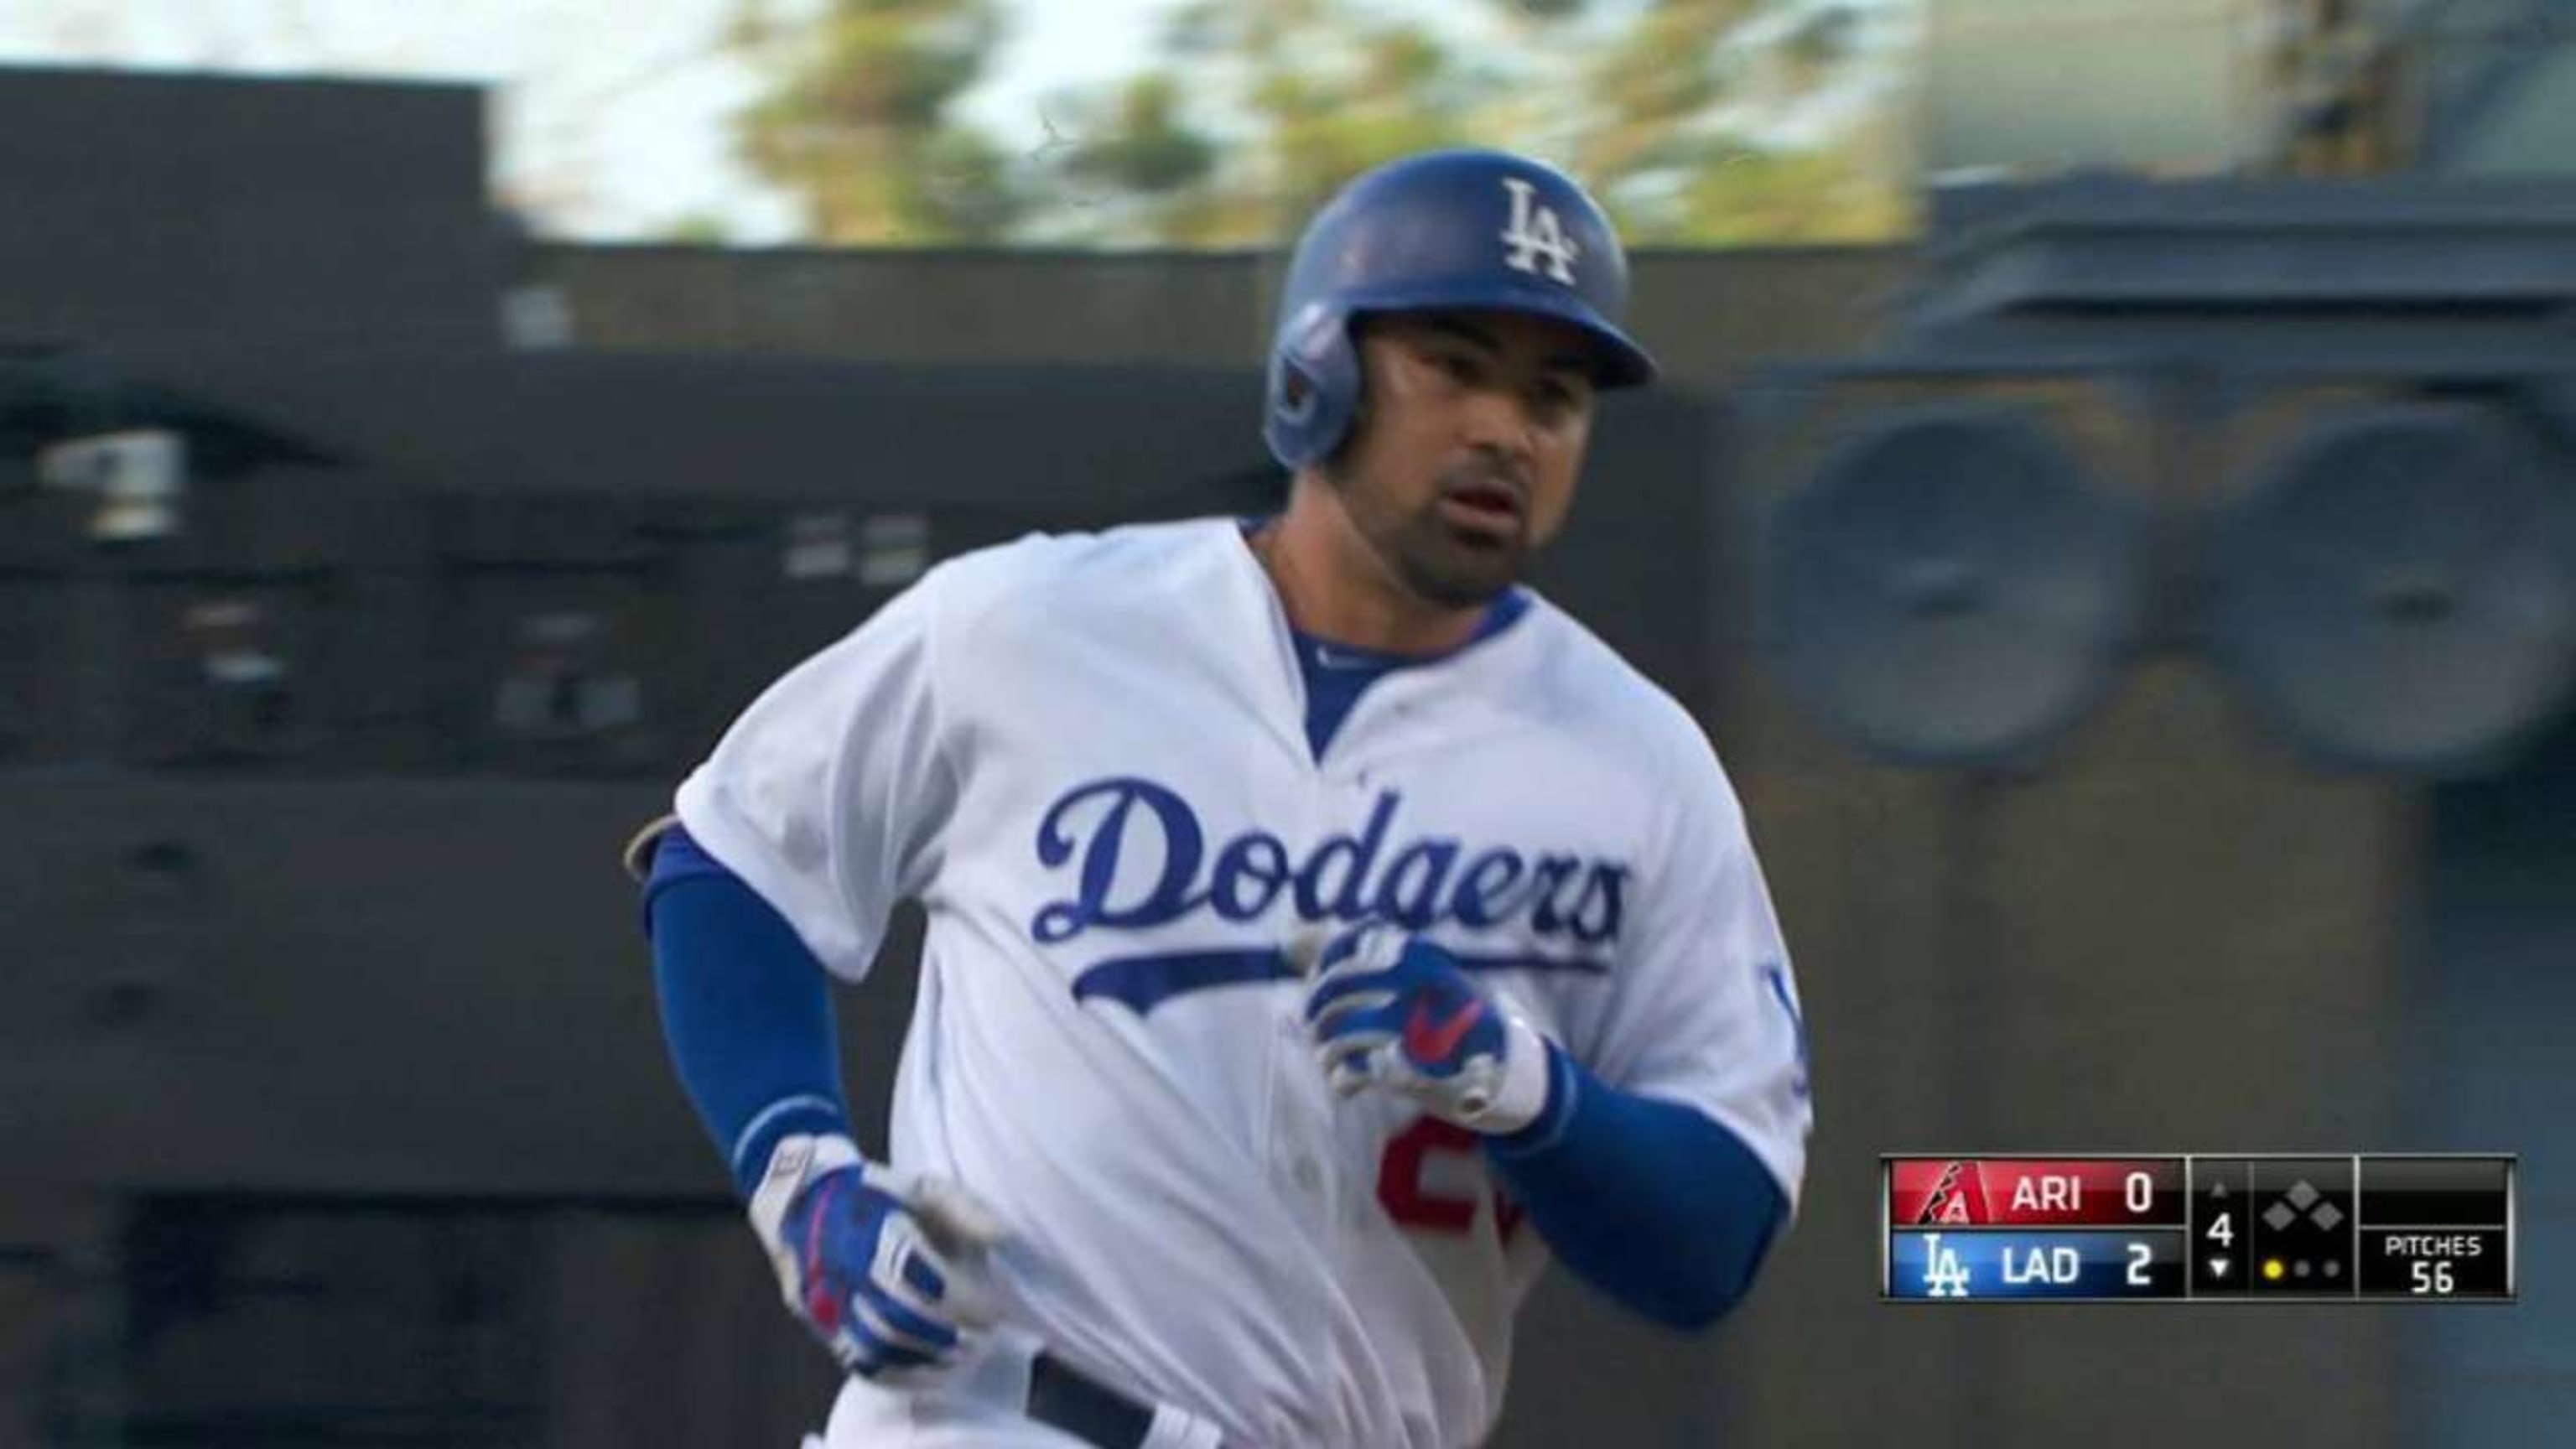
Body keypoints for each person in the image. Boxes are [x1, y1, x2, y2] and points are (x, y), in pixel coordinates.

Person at [626, 147, 1812, 1449]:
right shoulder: (1036, 625)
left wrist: (1527, 1085)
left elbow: (1717, 1237)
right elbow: (730, 858)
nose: (1505, 430)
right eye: (1456, 365)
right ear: (1323, 373)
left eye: (1557, 394)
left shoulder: (1638, 765)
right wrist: (801, 1174)